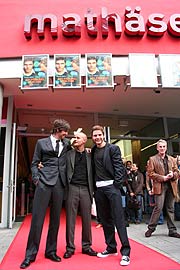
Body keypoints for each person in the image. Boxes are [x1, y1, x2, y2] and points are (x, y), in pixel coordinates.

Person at [20, 119, 71, 269]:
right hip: (44, 183)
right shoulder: (41, 143)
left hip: (59, 185)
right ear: (57, 130)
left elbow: (76, 146)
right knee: (37, 219)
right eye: (64, 131)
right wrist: (36, 179)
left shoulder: (67, 144)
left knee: (55, 220)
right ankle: (30, 255)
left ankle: (51, 251)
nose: (66, 134)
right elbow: (35, 163)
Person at [91, 125, 131, 266]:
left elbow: (119, 167)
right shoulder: (94, 150)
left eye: (99, 135)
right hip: (99, 190)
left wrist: (116, 185)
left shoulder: (113, 148)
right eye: (95, 135)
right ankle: (111, 247)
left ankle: (125, 252)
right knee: (105, 220)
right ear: (92, 137)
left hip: (112, 188)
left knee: (119, 220)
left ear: (103, 135)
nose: (97, 137)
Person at [63, 131, 97, 259]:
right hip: (72, 188)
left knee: (87, 220)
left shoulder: (90, 155)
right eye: (74, 138)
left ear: (84, 141)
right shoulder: (68, 154)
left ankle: (86, 246)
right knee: (70, 219)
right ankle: (70, 248)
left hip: (86, 189)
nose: (75, 139)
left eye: (78, 138)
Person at [145, 139, 180, 238]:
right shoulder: (152, 159)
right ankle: (151, 228)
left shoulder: (172, 159)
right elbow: (150, 174)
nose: (162, 148)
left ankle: (172, 231)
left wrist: (173, 174)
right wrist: (162, 178)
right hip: (159, 185)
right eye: (160, 146)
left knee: (170, 208)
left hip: (171, 185)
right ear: (157, 148)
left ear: (166, 148)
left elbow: (177, 172)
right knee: (158, 207)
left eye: (164, 146)